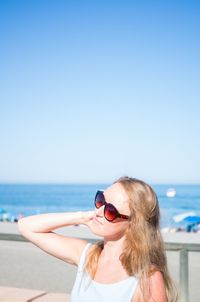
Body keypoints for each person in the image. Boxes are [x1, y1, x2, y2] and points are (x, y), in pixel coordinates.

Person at [18, 176, 177, 302]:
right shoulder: (88, 256)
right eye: (100, 200)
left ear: (134, 224)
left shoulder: (147, 279)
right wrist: (80, 217)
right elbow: (26, 226)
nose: (98, 211)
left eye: (110, 210)